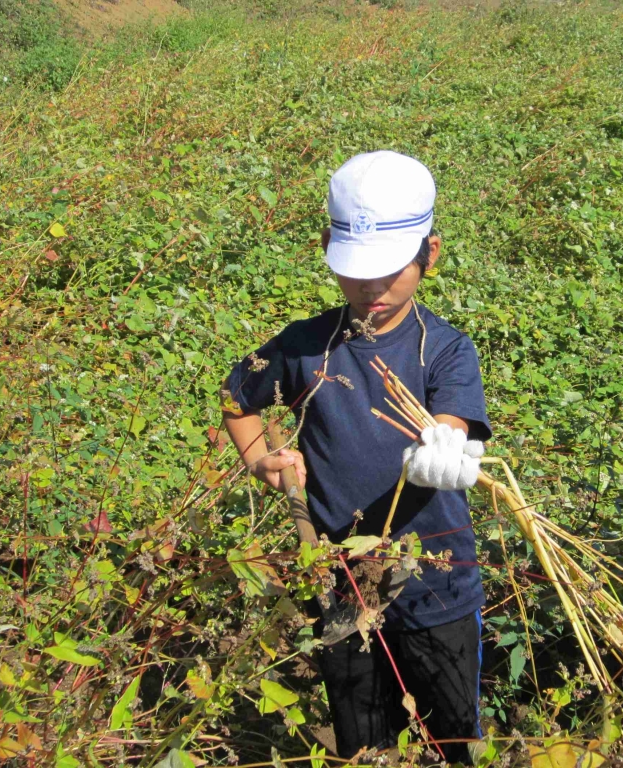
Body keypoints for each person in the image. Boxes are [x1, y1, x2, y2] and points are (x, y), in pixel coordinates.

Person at [220, 150, 491, 763]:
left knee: (455, 736)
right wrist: (260, 460)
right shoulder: (303, 347)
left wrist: (441, 446)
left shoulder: (445, 349)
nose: (372, 288)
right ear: (327, 249)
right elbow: (237, 401)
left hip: (437, 584)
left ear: (430, 254)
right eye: (356, 271)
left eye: (391, 270)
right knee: (362, 740)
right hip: (340, 586)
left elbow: (451, 421)